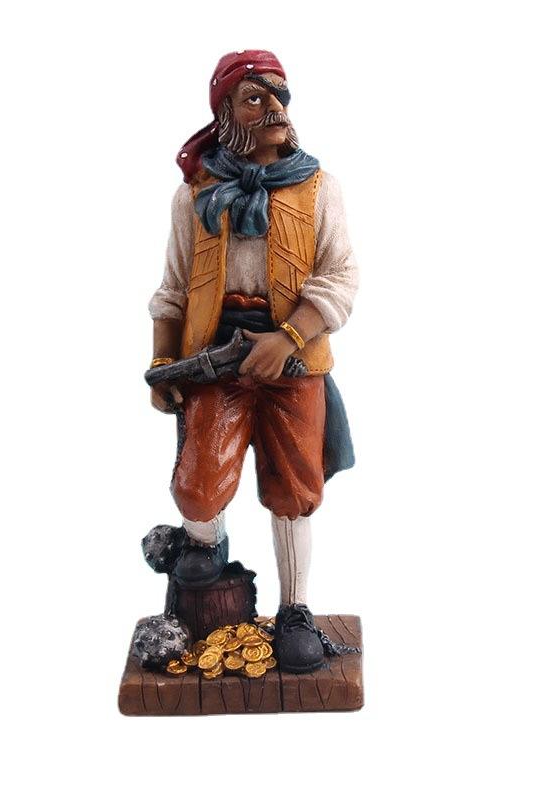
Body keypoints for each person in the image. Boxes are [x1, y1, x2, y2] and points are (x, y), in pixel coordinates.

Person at [148, 50, 358, 672]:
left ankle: (294, 610)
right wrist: (164, 358)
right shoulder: (195, 197)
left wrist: (289, 337)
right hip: (216, 359)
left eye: (280, 96)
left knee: (294, 490)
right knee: (198, 484)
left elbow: (341, 277)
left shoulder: (319, 188)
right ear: (226, 115)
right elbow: (174, 286)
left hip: (292, 362)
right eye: (256, 98)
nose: (275, 108)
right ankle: (205, 547)